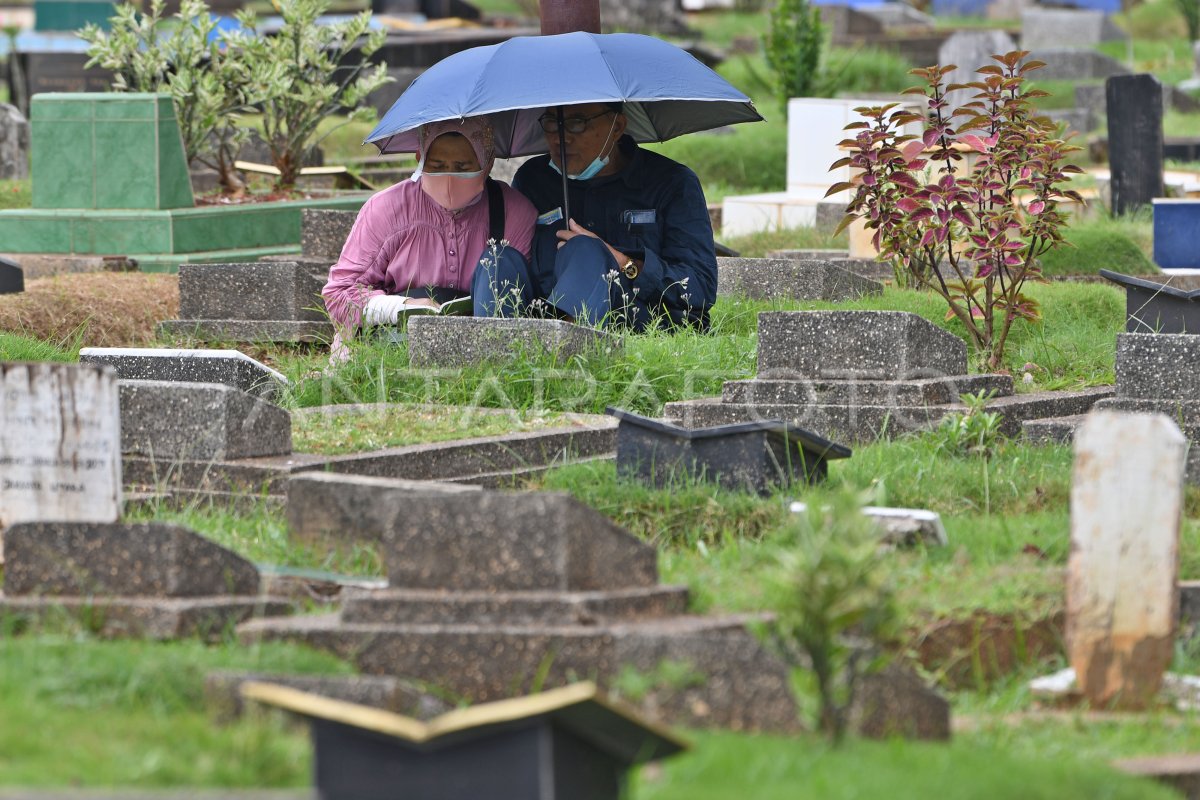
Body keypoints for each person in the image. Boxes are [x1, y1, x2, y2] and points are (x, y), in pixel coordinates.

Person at [474, 101, 718, 331]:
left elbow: (700, 287)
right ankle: (491, 354)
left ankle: (562, 352)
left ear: (617, 127)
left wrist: (625, 263)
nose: (563, 137)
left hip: (632, 315)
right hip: (541, 313)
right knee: (497, 258)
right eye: (551, 123)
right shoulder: (533, 180)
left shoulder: (672, 183)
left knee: (585, 248)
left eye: (578, 123)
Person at [322, 116, 537, 358]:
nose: (449, 177)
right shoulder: (387, 209)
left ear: (487, 163)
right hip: (389, 348)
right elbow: (339, 294)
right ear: (420, 158)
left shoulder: (514, 211)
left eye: (463, 167)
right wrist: (401, 307)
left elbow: (527, 294)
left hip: (482, 347)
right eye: (436, 165)